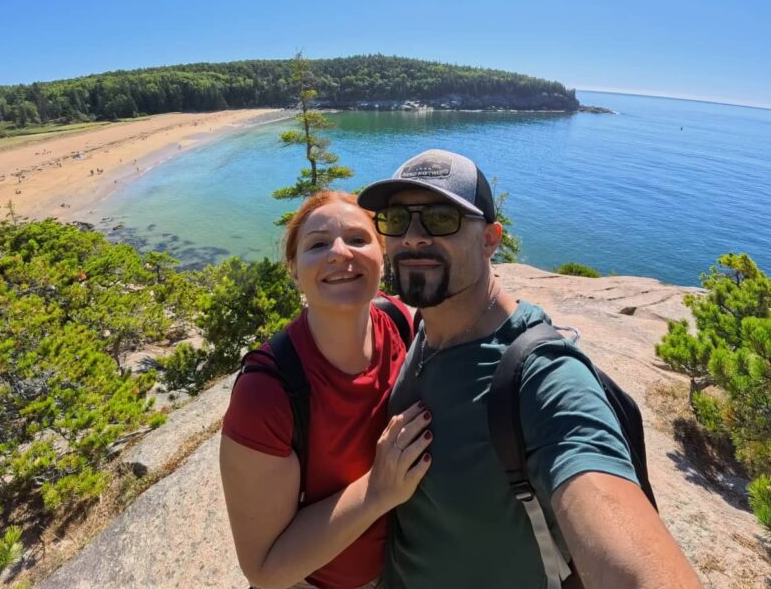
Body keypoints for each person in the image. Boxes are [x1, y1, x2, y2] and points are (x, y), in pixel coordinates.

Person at [357, 149, 702, 589]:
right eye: (398, 218)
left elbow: (630, 558)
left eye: (441, 218)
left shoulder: (541, 375)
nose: (414, 236)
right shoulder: (427, 325)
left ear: (490, 239)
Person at [220, 190, 432, 589]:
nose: (339, 252)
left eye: (357, 239)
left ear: (382, 258)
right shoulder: (266, 392)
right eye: (318, 244)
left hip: (406, 568)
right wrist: (377, 492)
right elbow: (264, 570)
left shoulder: (400, 322)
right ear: (295, 270)